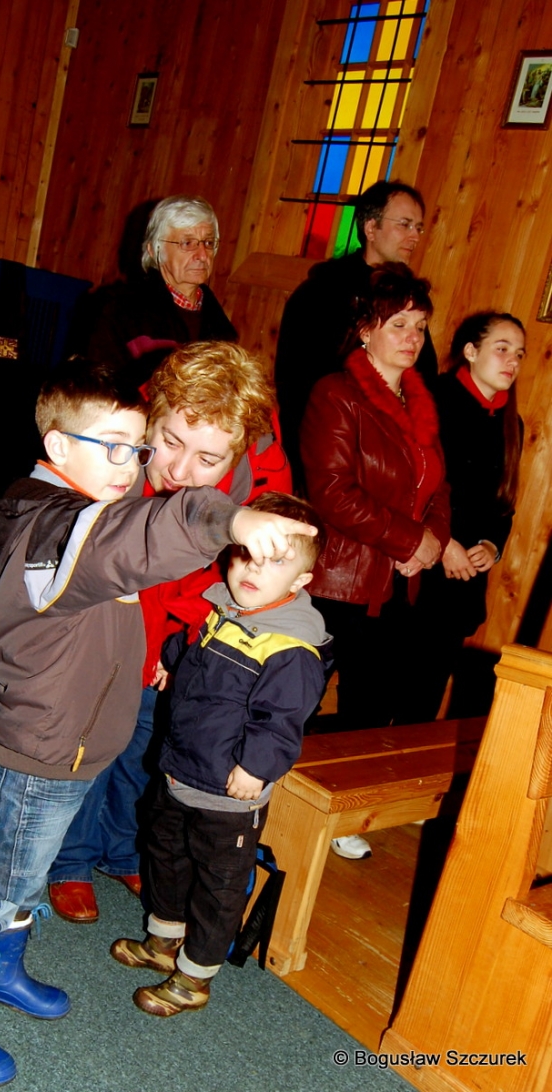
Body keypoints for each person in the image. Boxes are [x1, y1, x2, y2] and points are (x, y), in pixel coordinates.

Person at [0, 360, 315, 1085]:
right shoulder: (62, 526)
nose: (133, 467)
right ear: (58, 446)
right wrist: (232, 517)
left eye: (137, 449)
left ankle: (3, 969)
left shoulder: (85, 502)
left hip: (68, 744)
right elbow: (141, 536)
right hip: (38, 750)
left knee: (23, 871)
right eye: (117, 447)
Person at [47, 341, 292, 924]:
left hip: (183, 630)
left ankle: (119, 849)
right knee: (90, 744)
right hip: (109, 617)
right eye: (171, 442)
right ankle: (69, 861)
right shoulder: (113, 446)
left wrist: (180, 644)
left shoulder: (263, 475)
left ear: (239, 450)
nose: (179, 472)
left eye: (207, 459)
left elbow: (238, 575)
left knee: (145, 744)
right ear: (151, 417)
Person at [110, 491, 331, 1017]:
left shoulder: (291, 649)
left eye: (275, 563)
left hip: (230, 790)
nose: (254, 570)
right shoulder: (225, 609)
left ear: (300, 581)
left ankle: (195, 975)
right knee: (165, 854)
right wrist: (171, 661)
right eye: (248, 555)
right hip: (181, 767)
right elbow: (194, 651)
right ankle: (164, 940)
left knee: (219, 883)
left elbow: (281, 720)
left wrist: (256, 767)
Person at [301, 263, 450, 859]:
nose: (413, 337)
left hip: (395, 583)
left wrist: (432, 539)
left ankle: (339, 816)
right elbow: (332, 492)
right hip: (337, 581)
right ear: (366, 329)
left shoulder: (420, 401)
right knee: (296, 702)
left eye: (420, 326)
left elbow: (438, 486)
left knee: (370, 709)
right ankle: (263, 805)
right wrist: (410, 541)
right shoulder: (335, 392)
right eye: (399, 324)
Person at [392, 312, 525, 724]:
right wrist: (442, 543)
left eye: (519, 354)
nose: (512, 361)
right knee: (382, 694)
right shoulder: (433, 400)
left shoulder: (511, 422)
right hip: (414, 568)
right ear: (470, 351)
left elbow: (502, 503)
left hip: (462, 582)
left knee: (423, 701)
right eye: (502, 349)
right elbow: (408, 483)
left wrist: (490, 544)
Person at [275, 179, 437, 489]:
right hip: (330, 451)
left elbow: (425, 375)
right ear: (371, 228)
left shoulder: (407, 297)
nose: (415, 236)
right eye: (404, 224)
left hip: (389, 455)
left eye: (419, 227)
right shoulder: (321, 292)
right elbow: (298, 385)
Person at [76, 194, 237, 386]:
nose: (202, 255)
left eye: (208, 243)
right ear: (154, 250)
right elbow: (96, 389)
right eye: (187, 243)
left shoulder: (220, 327)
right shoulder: (118, 311)